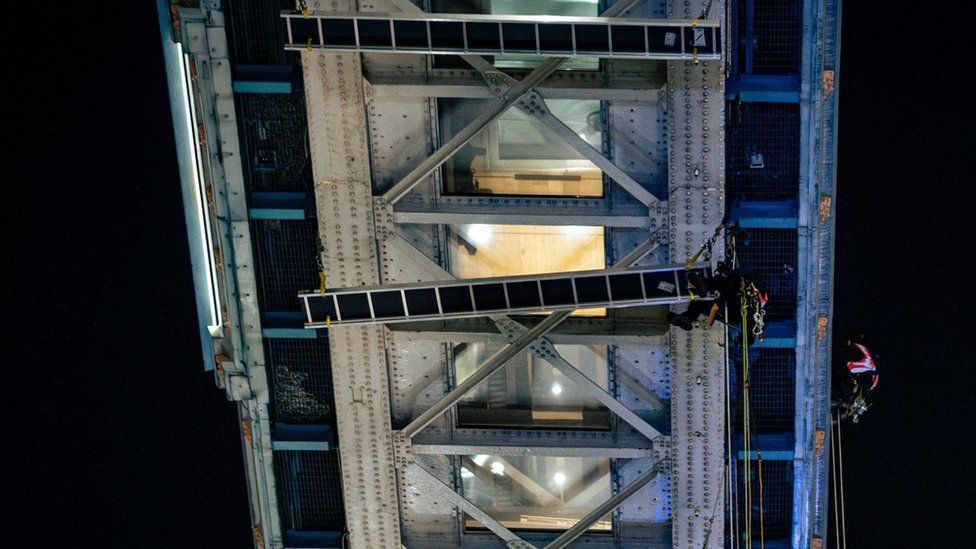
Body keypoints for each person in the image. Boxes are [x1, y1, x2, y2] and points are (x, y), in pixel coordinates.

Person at [667, 262, 768, 341]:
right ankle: (683, 318)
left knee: (718, 284)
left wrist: (728, 273)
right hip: (725, 308)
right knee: (699, 305)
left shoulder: (759, 294)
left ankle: (703, 286)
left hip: (729, 299)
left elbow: (743, 273)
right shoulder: (757, 310)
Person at [833, 335, 879, 423]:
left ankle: (843, 408)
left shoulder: (868, 365)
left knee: (847, 394)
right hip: (858, 379)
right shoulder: (864, 355)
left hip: (860, 384)